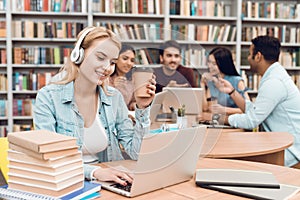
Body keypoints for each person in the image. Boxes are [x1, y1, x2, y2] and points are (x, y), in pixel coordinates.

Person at [33, 26, 156, 186]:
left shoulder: (114, 98)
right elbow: (48, 158)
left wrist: (142, 108)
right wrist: (94, 172)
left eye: (112, 62)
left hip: (107, 183)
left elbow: (136, 152)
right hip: (66, 183)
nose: (107, 68)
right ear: (78, 55)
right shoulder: (48, 97)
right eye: (100, 57)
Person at [213, 35, 300, 167]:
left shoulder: (274, 82)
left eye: (249, 54)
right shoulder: (275, 75)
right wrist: (232, 92)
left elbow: (251, 121)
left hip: (290, 153)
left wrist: (219, 118)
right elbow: (256, 111)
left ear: (258, 56)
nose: (248, 58)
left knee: (232, 162)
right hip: (282, 146)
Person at [201, 47, 249, 115]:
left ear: (223, 64)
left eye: (214, 64)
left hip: (235, 122)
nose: (209, 66)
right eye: (209, 62)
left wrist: (225, 110)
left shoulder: (237, 81)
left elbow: (249, 109)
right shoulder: (211, 81)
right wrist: (202, 85)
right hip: (218, 122)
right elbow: (206, 109)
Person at [109, 44, 136, 111]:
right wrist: (114, 87)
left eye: (132, 60)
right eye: (125, 58)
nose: (129, 63)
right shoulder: (106, 78)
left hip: (126, 117)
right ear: (116, 59)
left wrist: (134, 105)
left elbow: (132, 101)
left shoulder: (131, 79)